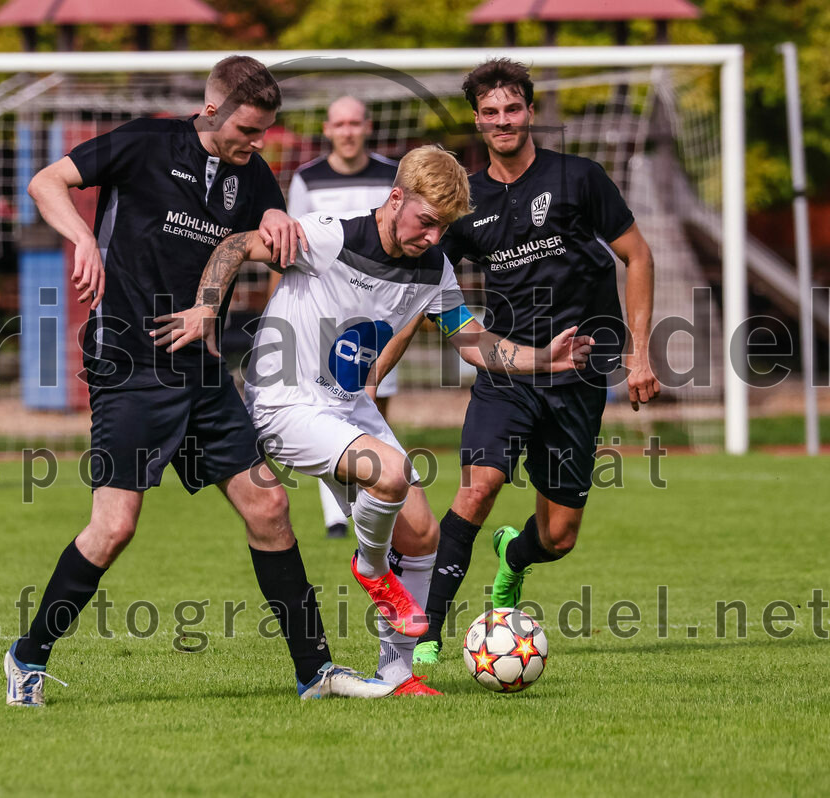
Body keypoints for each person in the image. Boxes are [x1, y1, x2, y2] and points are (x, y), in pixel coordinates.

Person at [4, 56, 396, 707]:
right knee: (115, 526)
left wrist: (276, 226)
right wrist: (80, 237)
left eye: (266, 130)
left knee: (270, 506)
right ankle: (27, 657)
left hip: (202, 370)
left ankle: (315, 671)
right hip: (130, 364)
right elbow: (47, 181)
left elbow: (267, 236)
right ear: (211, 109)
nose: (257, 142)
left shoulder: (253, 172)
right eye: (248, 128)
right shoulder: (145, 142)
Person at [154, 144, 593, 696]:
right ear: (395, 197)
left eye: (444, 228)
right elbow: (239, 243)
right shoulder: (331, 236)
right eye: (426, 221)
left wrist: (541, 359)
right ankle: (370, 569)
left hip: (346, 405)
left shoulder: (433, 269)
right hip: (285, 400)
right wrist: (207, 306)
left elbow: (473, 341)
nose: (434, 237)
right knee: (390, 473)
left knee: (425, 535)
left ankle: (397, 672)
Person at [377, 59, 661, 665]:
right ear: (477, 121)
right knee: (478, 489)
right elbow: (422, 288)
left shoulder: (579, 178)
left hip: (580, 374)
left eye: (512, 109)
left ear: (530, 112)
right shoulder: (467, 201)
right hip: (508, 372)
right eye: (490, 112)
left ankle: (516, 558)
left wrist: (639, 354)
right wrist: (376, 363)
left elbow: (637, 256)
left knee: (558, 538)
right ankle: (427, 637)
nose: (502, 121)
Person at [286, 96, 399, 539]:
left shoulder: (392, 174)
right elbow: (294, 246)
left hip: (378, 313)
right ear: (328, 129)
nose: (348, 131)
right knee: (325, 408)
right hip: (324, 313)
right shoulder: (307, 178)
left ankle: (370, 502)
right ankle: (335, 515)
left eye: (355, 122)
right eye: (340, 123)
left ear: (367, 126)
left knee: (372, 405)